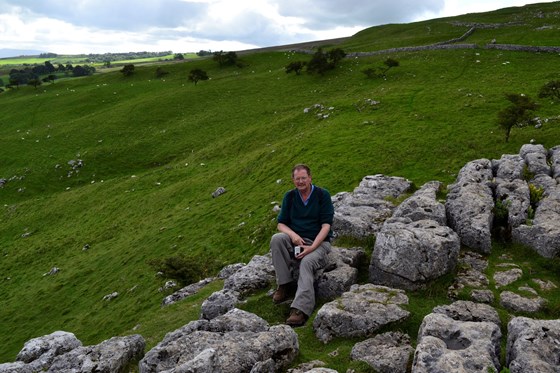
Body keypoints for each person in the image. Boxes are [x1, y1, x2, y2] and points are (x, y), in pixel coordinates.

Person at [270, 164, 334, 326]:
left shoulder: (322, 195)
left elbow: (326, 226)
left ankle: (301, 309)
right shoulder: (290, 197)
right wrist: (293, 235)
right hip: (297, 240)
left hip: (319, 243)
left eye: (303, 178)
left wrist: (311, 248)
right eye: (297, 179)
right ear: (293, 180)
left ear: (310, 178)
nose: (300, 182)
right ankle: (284, 285)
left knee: (306, 262)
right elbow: (281, 224)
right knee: (277, 239)